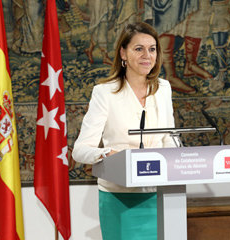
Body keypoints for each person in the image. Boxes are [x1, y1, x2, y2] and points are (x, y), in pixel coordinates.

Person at [72, 22, 177, 240]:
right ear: (123, 53)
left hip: (159, 195)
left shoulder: (163, 89)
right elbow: (80, 150)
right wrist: (107, 154)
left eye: (152, 49)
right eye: (138, 49)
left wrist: (180, 160)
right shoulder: (105, 93)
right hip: (119, 198)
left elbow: (169, 138)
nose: (147, 55)